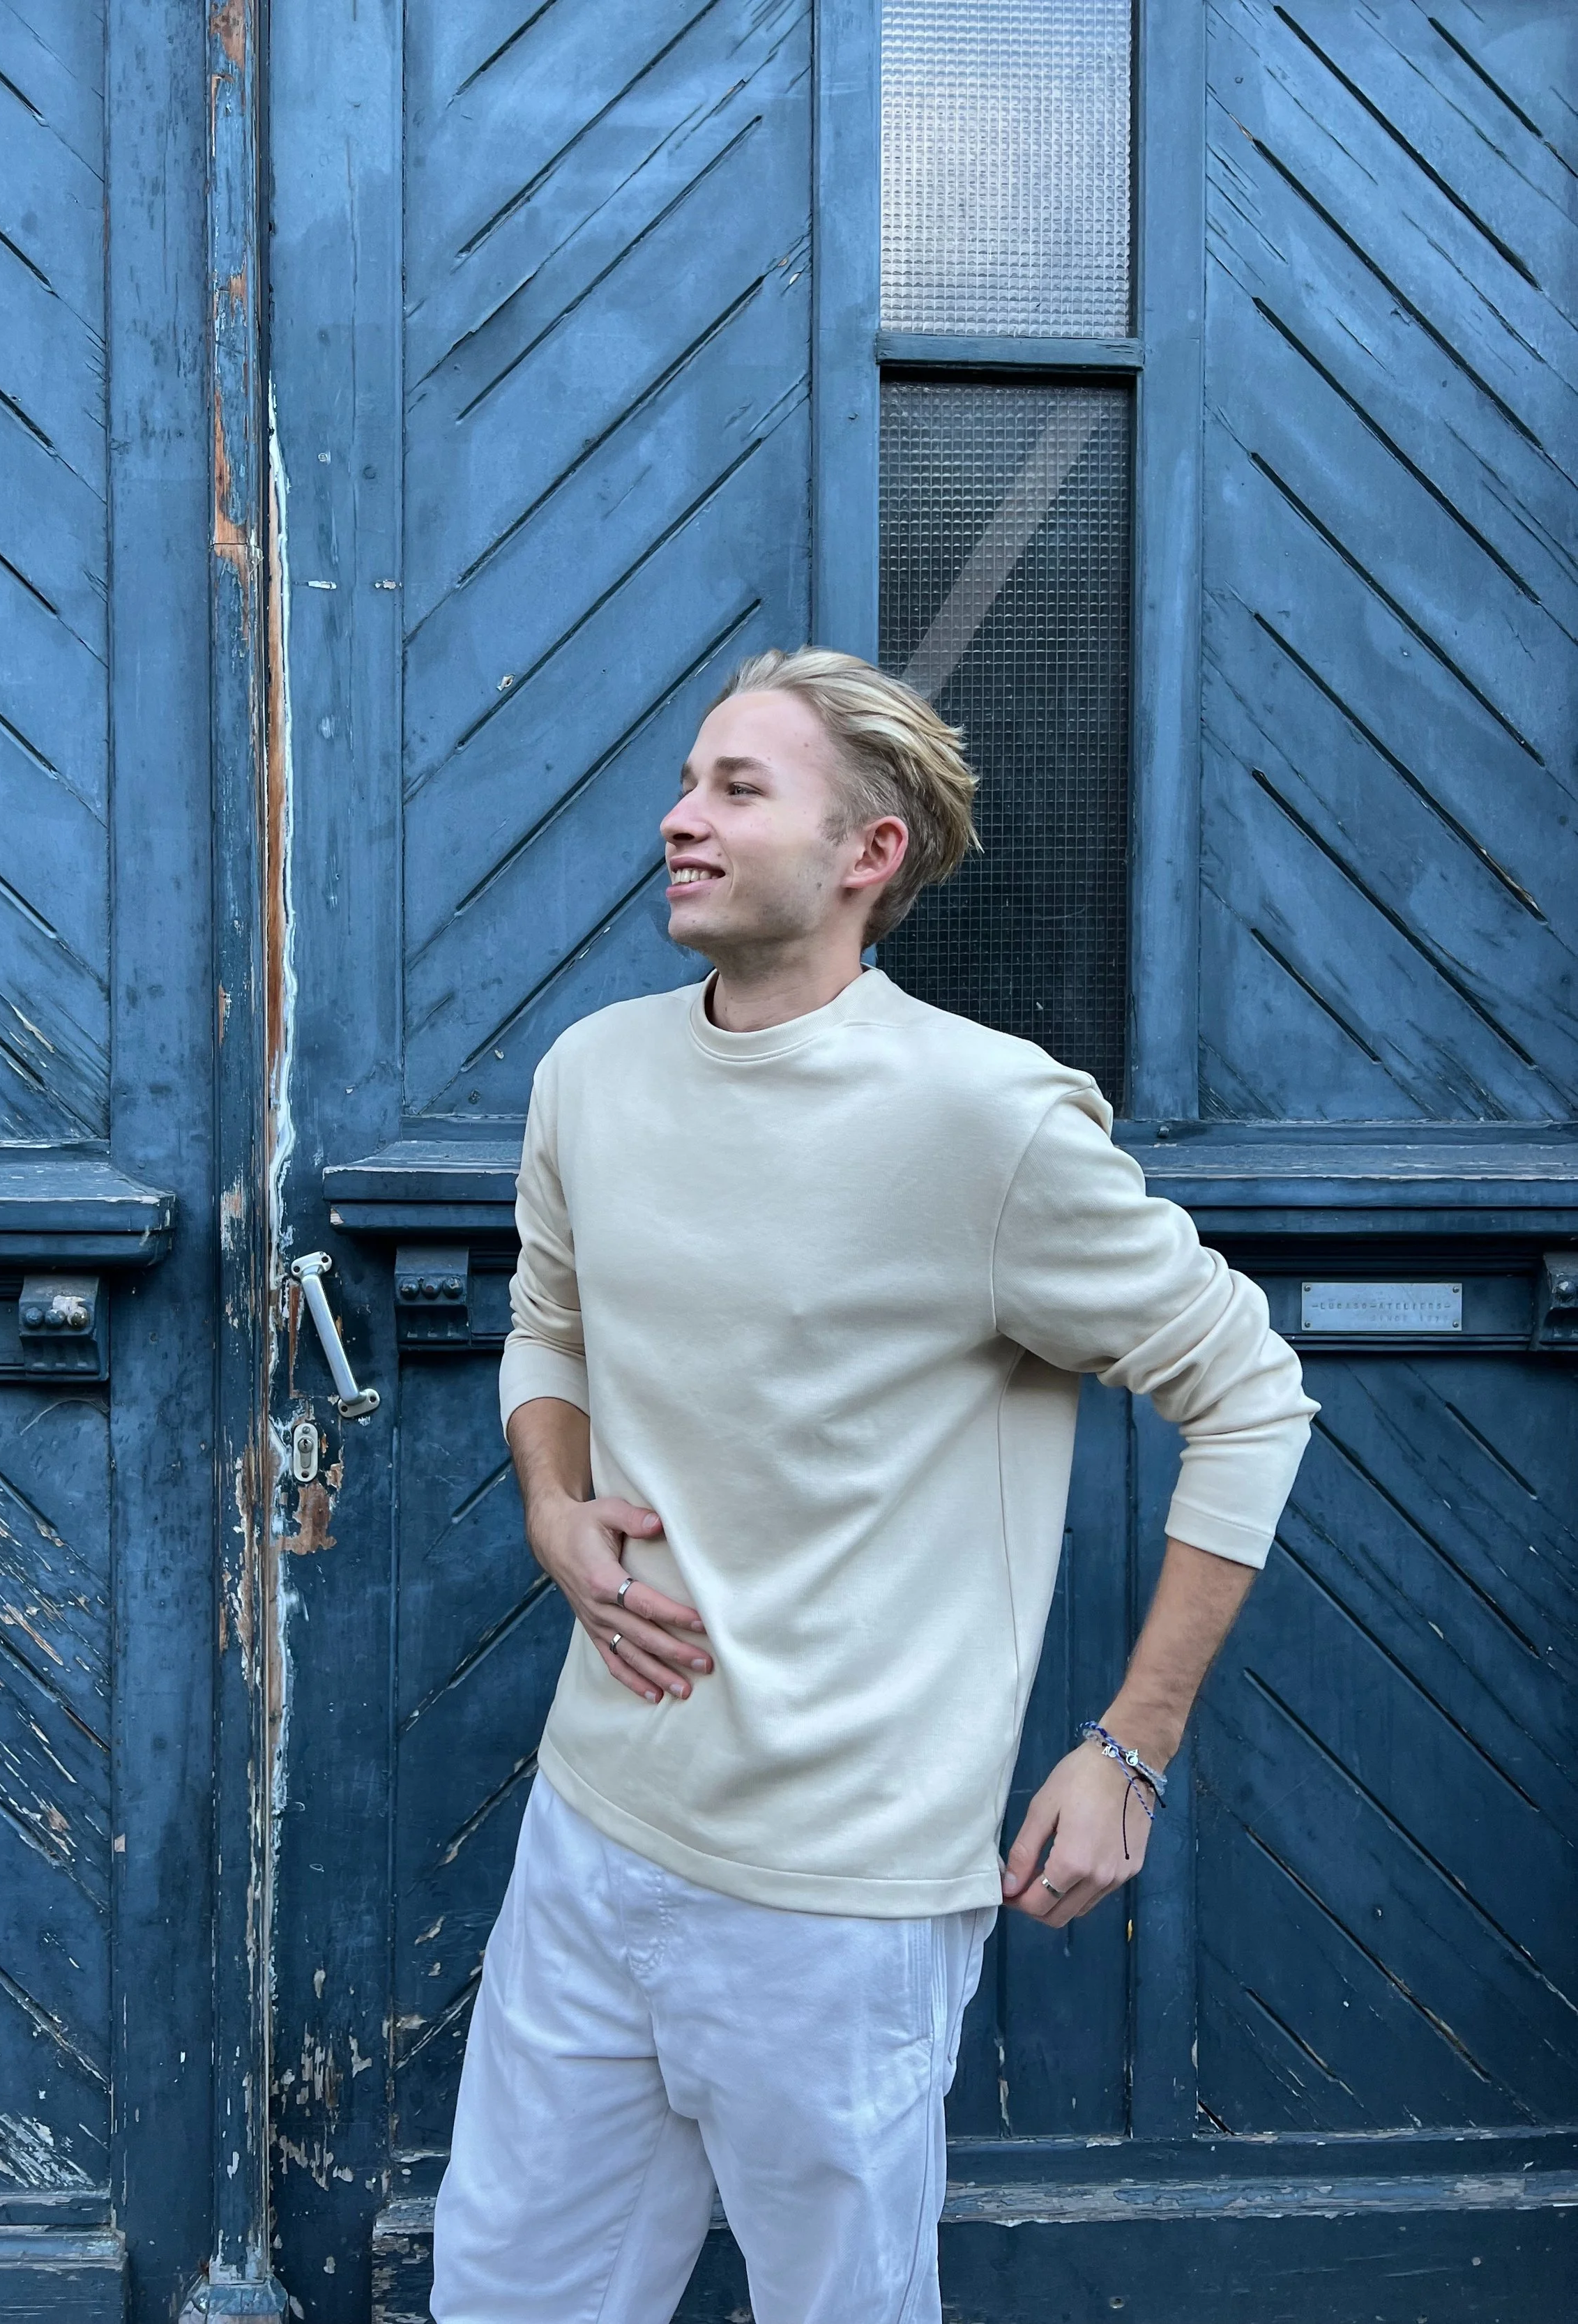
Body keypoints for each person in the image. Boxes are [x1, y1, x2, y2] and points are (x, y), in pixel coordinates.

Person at [429, 648, 1316, 2324]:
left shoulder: (983, 1119)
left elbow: (1250, 1395)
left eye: (735, 790)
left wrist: (1131, 1746)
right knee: (505, 2294)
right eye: (687, 782)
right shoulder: (589, 1074)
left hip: (834, 1893)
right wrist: (552, 1503)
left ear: (869, 855)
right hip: (594, 1824)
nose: (677, 820)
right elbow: (549, 1324)